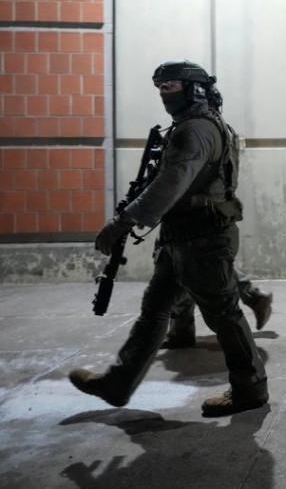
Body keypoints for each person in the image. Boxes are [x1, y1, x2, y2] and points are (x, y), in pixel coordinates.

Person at [69, 60, 268, 417]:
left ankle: (250, 388)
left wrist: (123, 222)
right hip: (182, 236)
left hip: (203, 238)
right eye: (160, 87)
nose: (164, 94)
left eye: (171, 86)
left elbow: (169, 184)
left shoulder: (196, 130)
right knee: (155, 310)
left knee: (223, 314)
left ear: (194, 90)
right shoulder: (193, 125)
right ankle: (119, 383)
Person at [160, 85, 273, 348]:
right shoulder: (222, 129)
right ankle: (182, 330)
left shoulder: (203, 132)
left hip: (200, 213)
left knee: (194, 267)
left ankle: (250, 299)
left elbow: (194, 177)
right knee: (186, 268)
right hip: (209, 211)